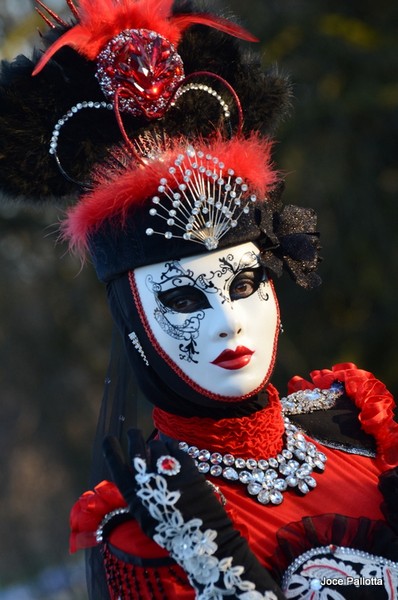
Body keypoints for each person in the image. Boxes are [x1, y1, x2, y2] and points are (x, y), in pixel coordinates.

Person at [1, 0, 397, 598]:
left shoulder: (358, 425)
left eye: (243, 284)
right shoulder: (153, 527)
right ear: (134, 320)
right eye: (185, 300)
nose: (228, 321)